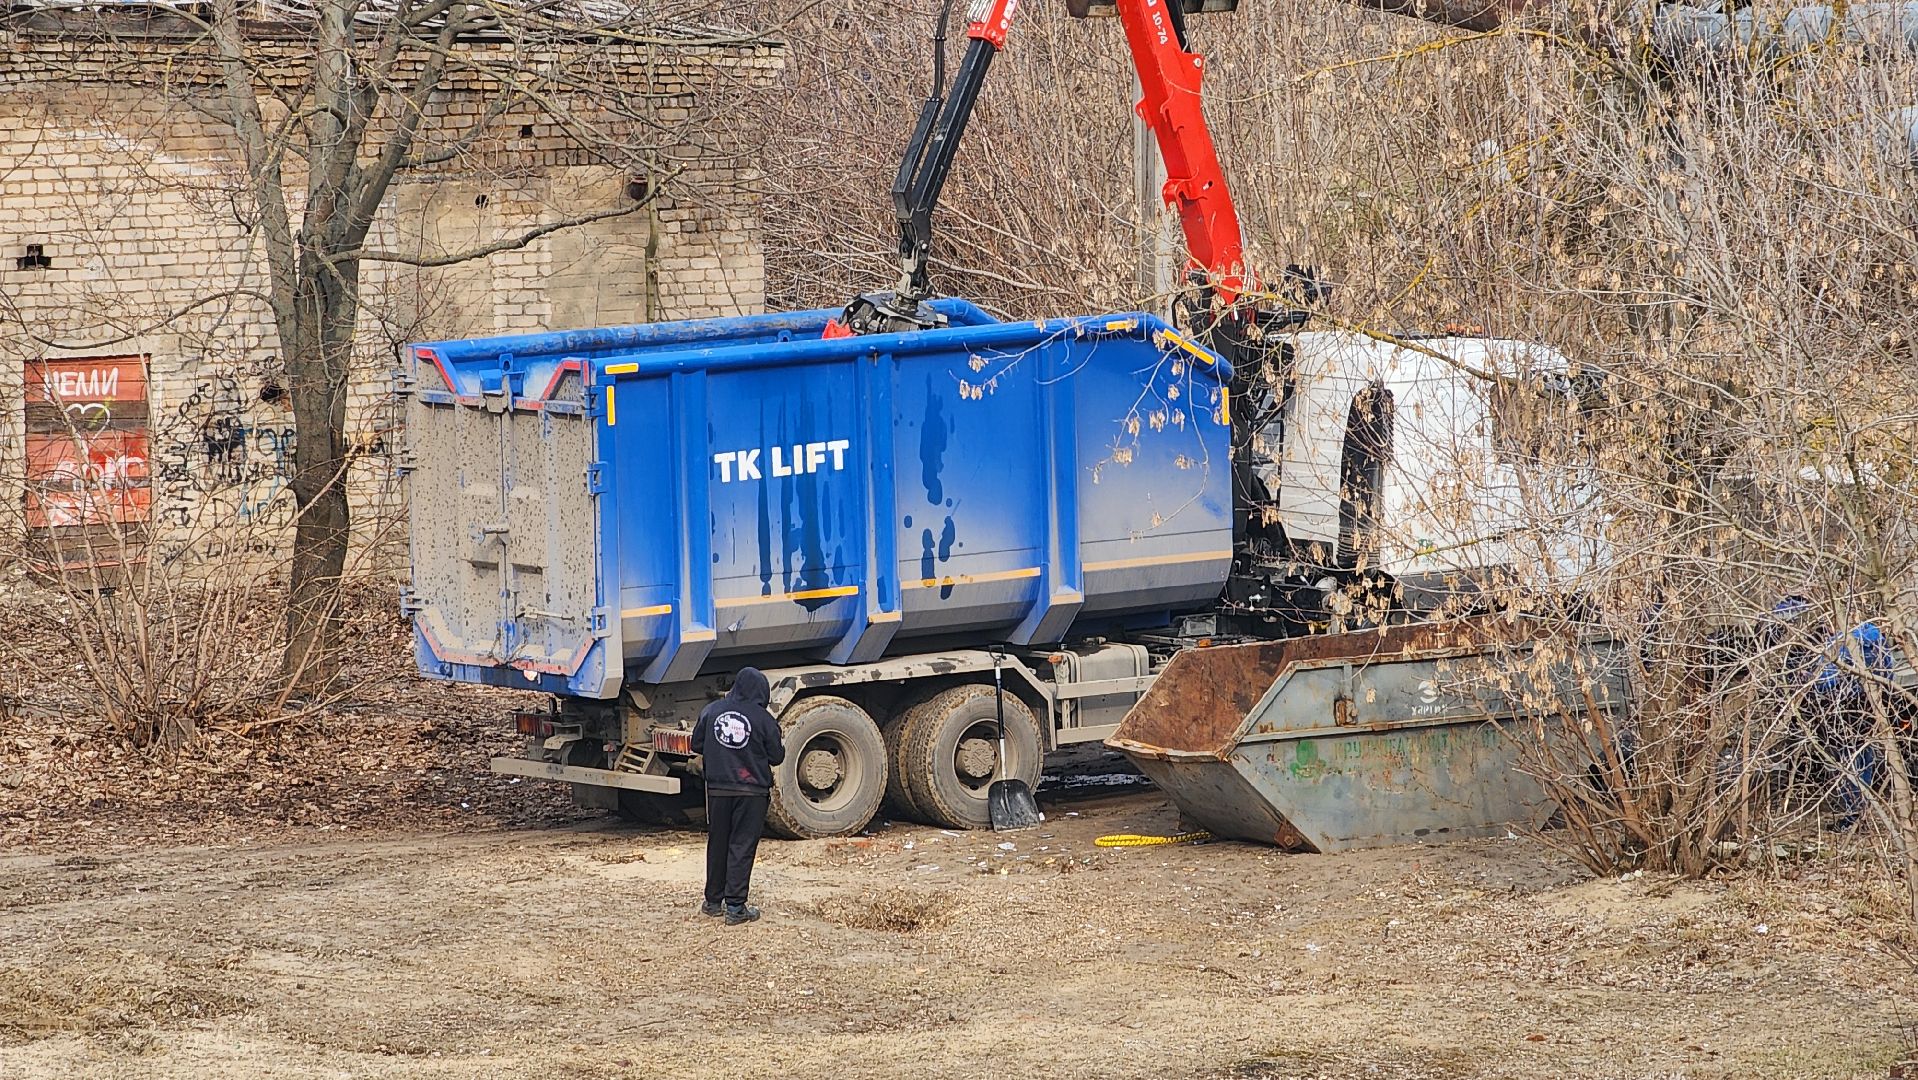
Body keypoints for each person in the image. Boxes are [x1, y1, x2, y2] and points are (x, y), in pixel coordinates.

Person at [690, 667, 784, 924]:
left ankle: (712, 901)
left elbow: (696, 744)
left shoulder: (712, 711)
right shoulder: (763, 719)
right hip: (751, 791)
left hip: (717, 789)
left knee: (718, 843)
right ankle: (735, 907)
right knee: (741, 845)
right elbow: (777, 756)